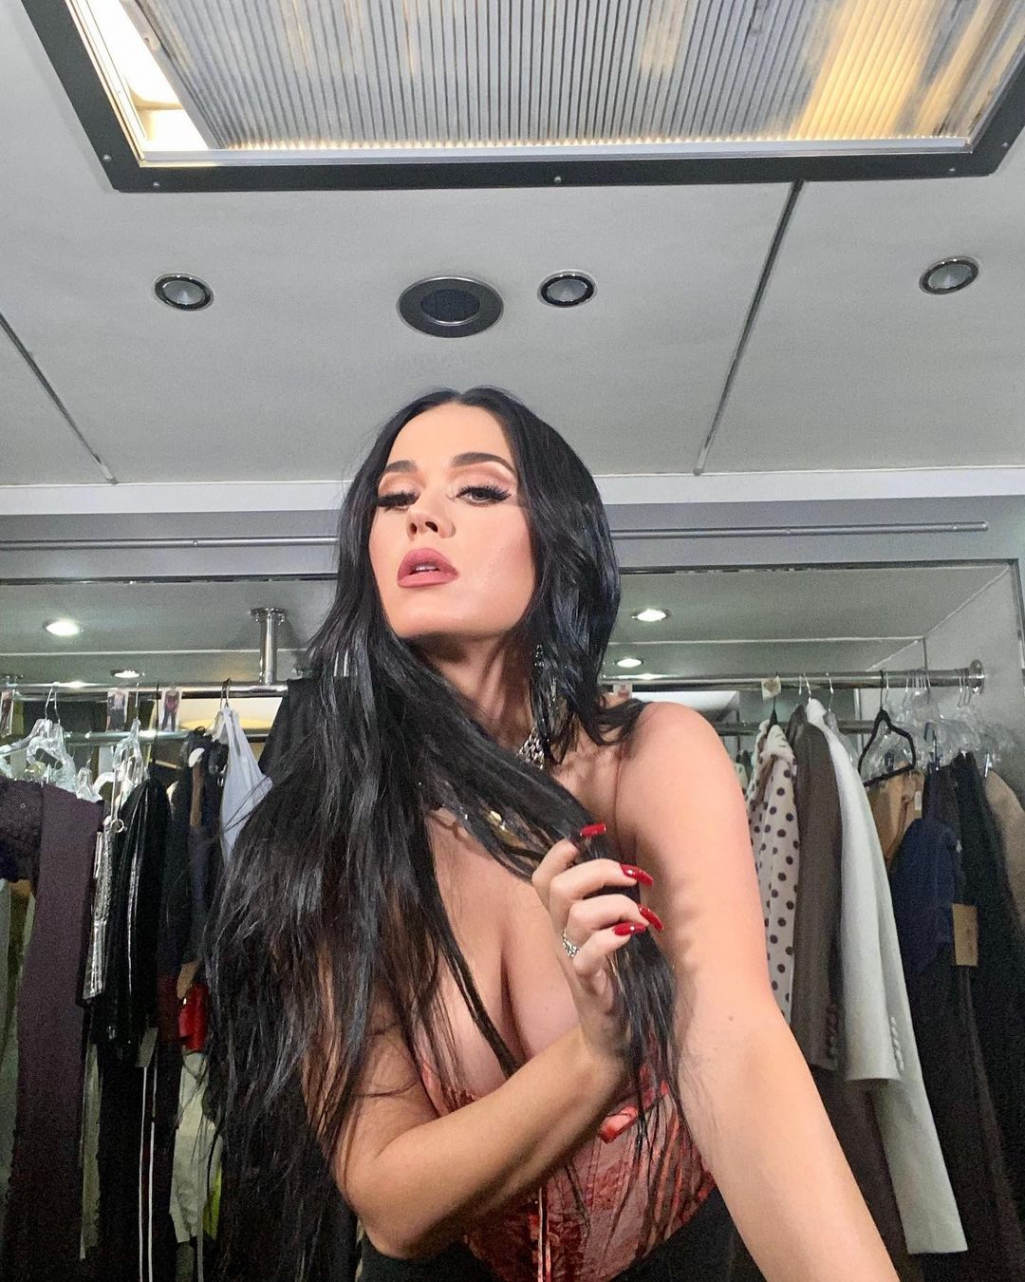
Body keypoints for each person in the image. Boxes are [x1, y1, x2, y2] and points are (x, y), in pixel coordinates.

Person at [206, 388, 899, 1281]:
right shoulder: (328, 828)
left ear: (558, 538)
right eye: (395, 497)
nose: (422, 515)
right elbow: (388, 1201)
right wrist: (595, 1056)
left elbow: (735, 1050)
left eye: (479, 490)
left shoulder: (652, 757)